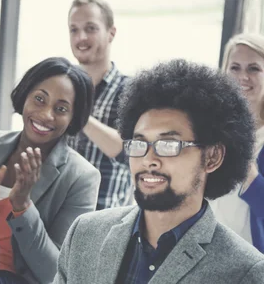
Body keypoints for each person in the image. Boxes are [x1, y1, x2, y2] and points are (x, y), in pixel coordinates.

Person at [54, 59, 264, 284]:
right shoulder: (85, 233)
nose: (148, 159)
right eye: (139, 143)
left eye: (168, 145)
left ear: (212, 157)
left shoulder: (245, 271)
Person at [0, 57, 100, 284]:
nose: (46, 115)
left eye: (61, 109)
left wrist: (23, 206)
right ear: (25, 96)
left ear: (73, 118)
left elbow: (56, 271)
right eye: (39, 99)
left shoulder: (81, 178)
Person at [66, 0, 131, 210]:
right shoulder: (63, 86)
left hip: (105, 223)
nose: (81, 37)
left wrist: (79, 113)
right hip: (57, 216)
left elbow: (129, 151)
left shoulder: (130, 91)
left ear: (111, 33)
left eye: (90, 28)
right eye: (74, 30)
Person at [213, 32, 264, 253]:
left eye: (253, 68)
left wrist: (249, 175)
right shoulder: (210, 126)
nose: (243, 76)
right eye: (235, 67)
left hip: (250, 260)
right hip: (203, 253)